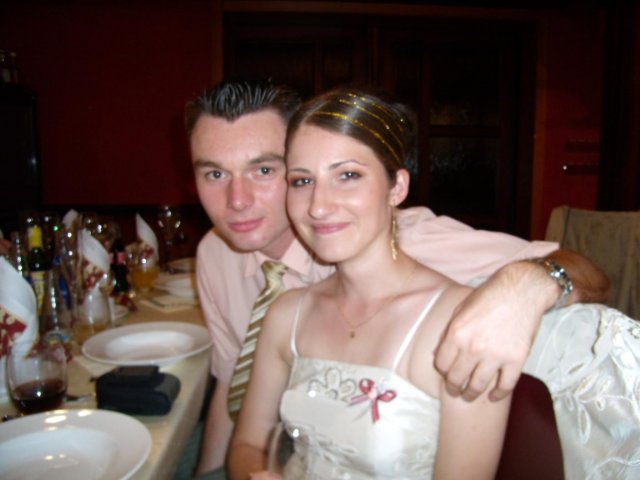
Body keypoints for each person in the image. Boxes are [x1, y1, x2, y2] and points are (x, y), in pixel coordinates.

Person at [185, 77, 609, 476]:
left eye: (263, 170)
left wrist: (522, 288)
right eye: (215, 173)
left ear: (397, 187)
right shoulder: (222, 258)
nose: (236, 200)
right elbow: (232, 389)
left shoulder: (421, 248)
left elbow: (586, 270)